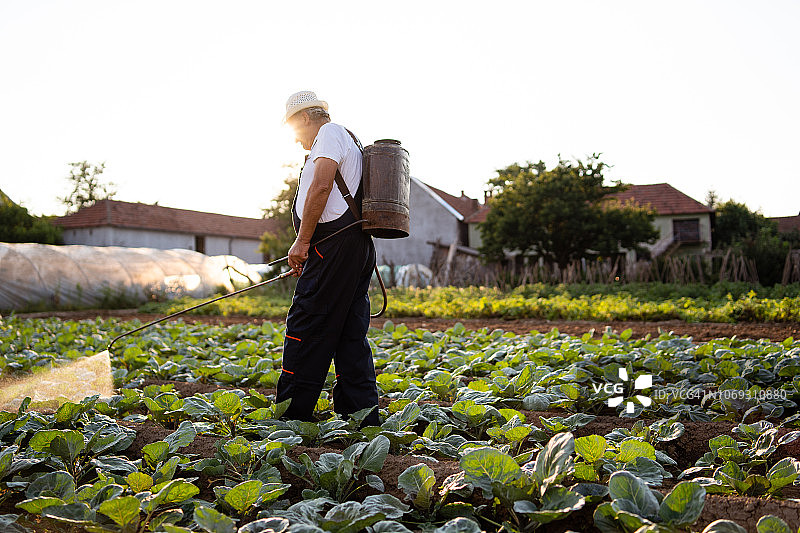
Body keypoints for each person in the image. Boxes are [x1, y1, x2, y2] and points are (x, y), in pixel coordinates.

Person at [276, 90, 379, 426]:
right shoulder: (347, 138)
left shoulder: (330, 133)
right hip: (351, 246)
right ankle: (360, 417)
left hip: (333, 246)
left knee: (307, 325)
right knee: (350, 334)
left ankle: (292, 417)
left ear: (306, 117)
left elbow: (321, 186)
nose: (296, 140)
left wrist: (302, 242)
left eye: (295, 129)